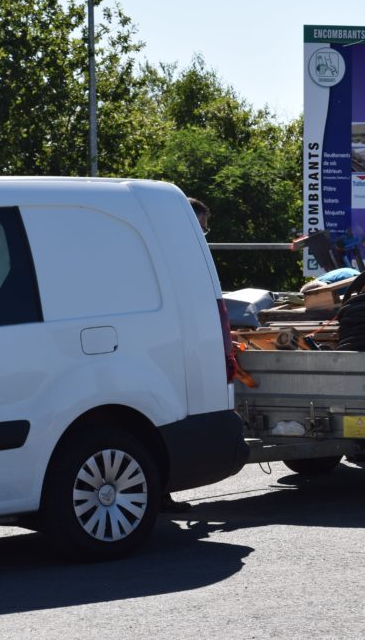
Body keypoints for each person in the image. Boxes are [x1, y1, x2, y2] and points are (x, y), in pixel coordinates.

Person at [161, 197, 213, 514]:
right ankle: (162, 491)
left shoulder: (184, 253)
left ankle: (163, 491)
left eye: (205, 230)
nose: (203, 235)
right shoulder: (172, 254)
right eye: (199, 228)